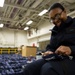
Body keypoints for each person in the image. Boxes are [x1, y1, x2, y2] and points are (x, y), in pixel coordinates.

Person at [23, 3, 75, 75]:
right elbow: (51, 46)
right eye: (52, 19)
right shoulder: (54, 31)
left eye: (57, 16)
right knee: (29, 68)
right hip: (58, 58)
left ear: (65, 12)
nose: (55, 20)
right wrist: (49, 51)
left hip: (72, 58)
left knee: (48, 69)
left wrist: (71, 49)